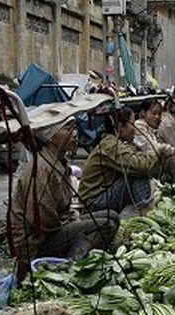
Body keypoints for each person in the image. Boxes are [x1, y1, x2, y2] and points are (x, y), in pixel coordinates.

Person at [9, 119, 119, 279]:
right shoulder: (41, 168)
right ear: (51, 136)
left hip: (53, 229)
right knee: (105, 225)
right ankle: (69, 271)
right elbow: (44, 219)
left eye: (74, 128)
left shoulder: (58, 162)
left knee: (112, 216)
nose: (74, 133)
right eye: (67, 128)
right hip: (35, 242)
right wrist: (72, 223)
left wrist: (73, 220)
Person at [78, 108, 175, 214]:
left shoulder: (114, 142)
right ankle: (147, 213)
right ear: (121, 128)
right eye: (132, 124)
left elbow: (137, 157)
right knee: (137, 173)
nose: (135, 129)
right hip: (94, 202)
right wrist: (158, 150)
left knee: (157, 162)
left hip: (103, 195)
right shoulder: (112, 145)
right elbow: (140, 165)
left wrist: (161, 153)